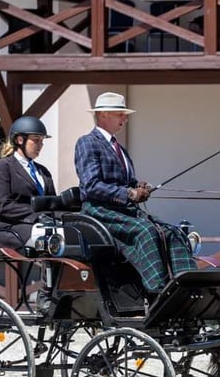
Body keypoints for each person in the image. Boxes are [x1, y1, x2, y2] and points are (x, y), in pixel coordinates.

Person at [74, 92, 196, 296]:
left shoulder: (119, 149)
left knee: (172, 232)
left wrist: (139, 186)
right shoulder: (87, 143)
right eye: (120, 114)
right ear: (103, 114)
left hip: (124, 211)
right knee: (146, 232)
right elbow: (91, 185)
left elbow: (126, 182)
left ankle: (186, 286)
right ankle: (157, 291)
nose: (125, 118)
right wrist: (130, 193)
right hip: (100, 211)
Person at [0, 116, 57, 254]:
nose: (40, 145)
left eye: (42, 141)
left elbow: (52, 202)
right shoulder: (1, 168)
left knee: (73, 233)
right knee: (56, 237)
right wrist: (37, 216)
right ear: (20, 140)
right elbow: (2, 205)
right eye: (36, 140)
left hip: (43, 225)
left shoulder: (43, 171)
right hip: (14, 229)